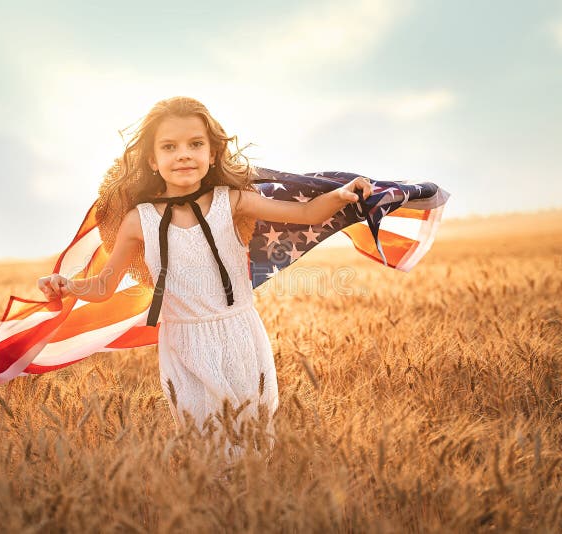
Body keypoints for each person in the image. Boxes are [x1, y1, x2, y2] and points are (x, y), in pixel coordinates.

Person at [37, 96, 372, 459]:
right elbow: (103, 287)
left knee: (252, 439)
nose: (183, 154)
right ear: (152, 160)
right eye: (169, 147)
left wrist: (340, 194)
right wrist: (68, 286)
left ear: (212, 153)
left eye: (195, 144)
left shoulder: (232, 201)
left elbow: (307, 213)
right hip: (184, 343)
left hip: (240, 335)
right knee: (204, 446)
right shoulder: (139, 220)